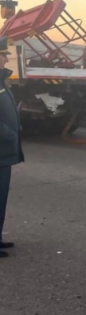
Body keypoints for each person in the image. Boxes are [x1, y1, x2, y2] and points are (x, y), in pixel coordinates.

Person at [0, 36, 23, 258]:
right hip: (1, 147)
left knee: (1, 197)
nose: (6, 58)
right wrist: (9, 133)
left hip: (4, 151)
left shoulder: (1, 81)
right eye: (3, 54)